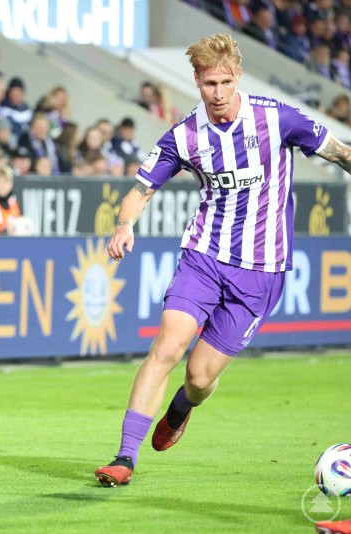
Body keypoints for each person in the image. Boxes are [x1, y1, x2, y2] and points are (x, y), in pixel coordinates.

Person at [94, 33, 351, 487]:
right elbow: (140, 190)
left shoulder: (277, 119)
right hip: (204, 257)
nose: (218, 93)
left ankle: (182, 407)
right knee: (167, 347)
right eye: (210, 83)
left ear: (239, 77)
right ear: (197, 80)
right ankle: (124, 457)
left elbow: (340, 153)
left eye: (226, 82)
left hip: (261, 272)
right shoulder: (184, 135)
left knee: (198, 378)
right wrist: (124, 224)